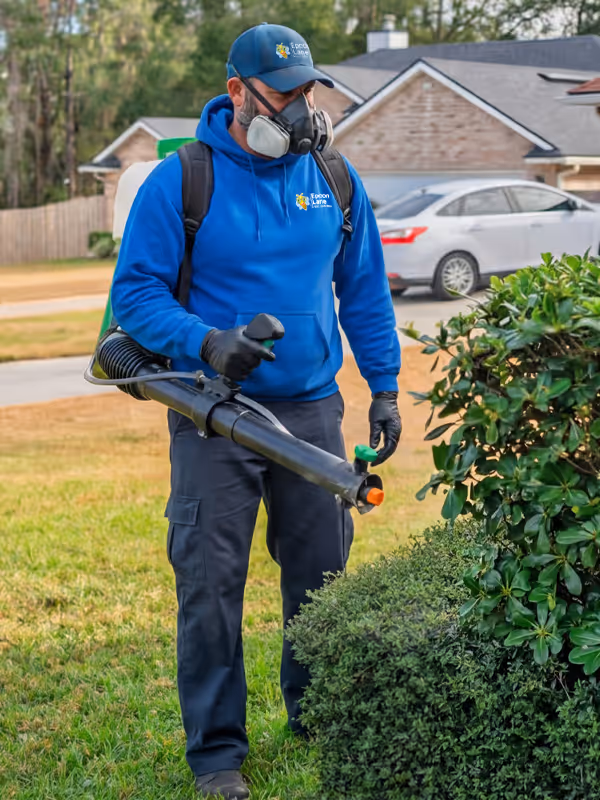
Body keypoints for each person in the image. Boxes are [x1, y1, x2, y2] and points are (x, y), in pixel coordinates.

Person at [110, 22, 401, 800]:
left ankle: (318, 715)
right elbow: (132, 296)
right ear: (237, 92)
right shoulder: (183, 180)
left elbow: (364, 289)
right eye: (285, 94)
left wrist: (385, 386)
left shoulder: (334, 176)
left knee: (323, 577)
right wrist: (206, 343)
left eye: (311, 91)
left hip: (311, 410)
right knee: (209, 583)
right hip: (213, 414)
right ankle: (217, 755)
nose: (303, 109)